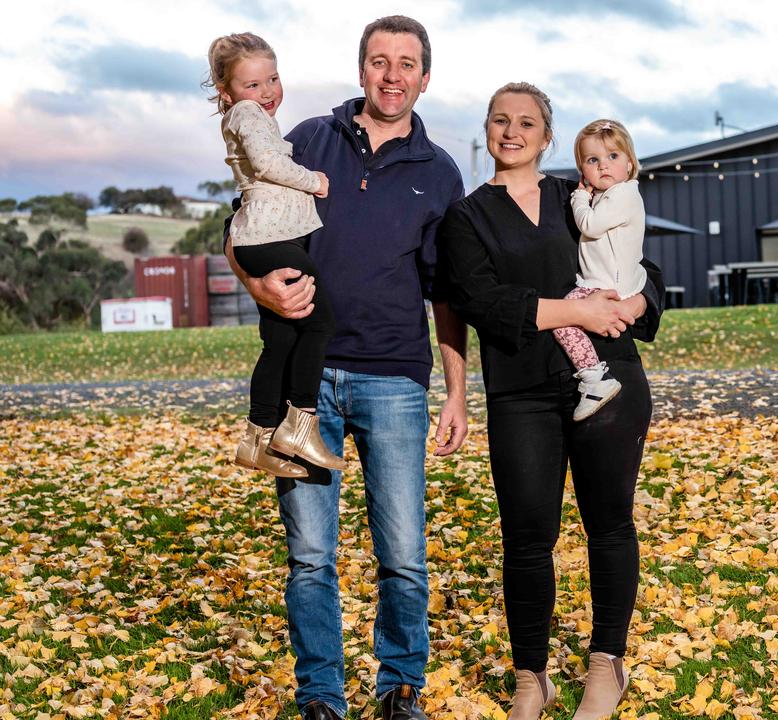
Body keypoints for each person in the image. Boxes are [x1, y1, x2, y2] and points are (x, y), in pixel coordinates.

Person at [222, 16, 467, 720]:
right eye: (380, 62)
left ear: (425, 76)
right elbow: (241, 223)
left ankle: (399, 690)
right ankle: (321, 696)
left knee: (403, 555)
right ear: (361, 69)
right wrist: (256, 286)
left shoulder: (439, 171)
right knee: (309, 556)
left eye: (407, 64)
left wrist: (455, 391)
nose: (393, 76)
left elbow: (445, 292)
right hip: (308, 380)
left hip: (393, 379)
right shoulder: (305, 139)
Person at [438, 83, 663, 720]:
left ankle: (605, 663)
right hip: (521, 393)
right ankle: (531, 679)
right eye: (501, 121)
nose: (513, 132)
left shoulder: (582, 193)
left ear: (547, 135)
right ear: (487, 129)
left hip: (610, 379)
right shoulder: (467, 216)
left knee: (609, 524)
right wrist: (574, 310)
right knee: (527, 538)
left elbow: (647, 270)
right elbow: (480, 302)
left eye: (527, 122)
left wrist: (634, 304)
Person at [206, 32, 344, 478]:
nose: (266, 93)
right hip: (268, 236)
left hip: (262, 235)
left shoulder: (249, 114)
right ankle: (300, 424)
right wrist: (315, 180)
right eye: (252, 85)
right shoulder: (247, 114)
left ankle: (258, 437)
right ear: (227, 93)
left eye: (273, 79)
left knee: (282, 338)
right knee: (319, 321)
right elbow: (267, 165)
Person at [554, 119, 648, 422]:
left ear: (630, 163)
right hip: (613, 279)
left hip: (605, 285)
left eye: (613, 156)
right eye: (593, 160)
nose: (603, 166)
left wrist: (579, 197)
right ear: (583, 168)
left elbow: (590, 225)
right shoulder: (610, 196)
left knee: (564, 318)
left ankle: (594, 380)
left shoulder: (623, 194)